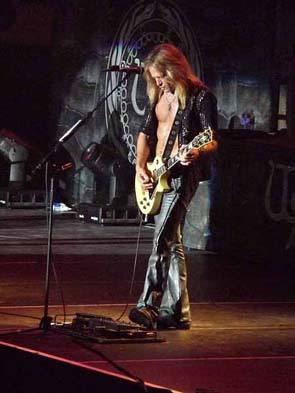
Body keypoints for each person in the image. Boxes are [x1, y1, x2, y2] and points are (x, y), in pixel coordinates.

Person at [129, 43, 218, 330]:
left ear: (174, 69)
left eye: (160, 77)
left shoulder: (200, 97)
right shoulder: (158, 94)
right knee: (172, 241)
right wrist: (141, 166)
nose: (158, 83)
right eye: (154, 79)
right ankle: (178, 313)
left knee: (162, 239)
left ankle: (147, 305)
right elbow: (144, 133)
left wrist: (197, 151)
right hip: (157, 174)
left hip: (182, 175)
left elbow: (211, 138)